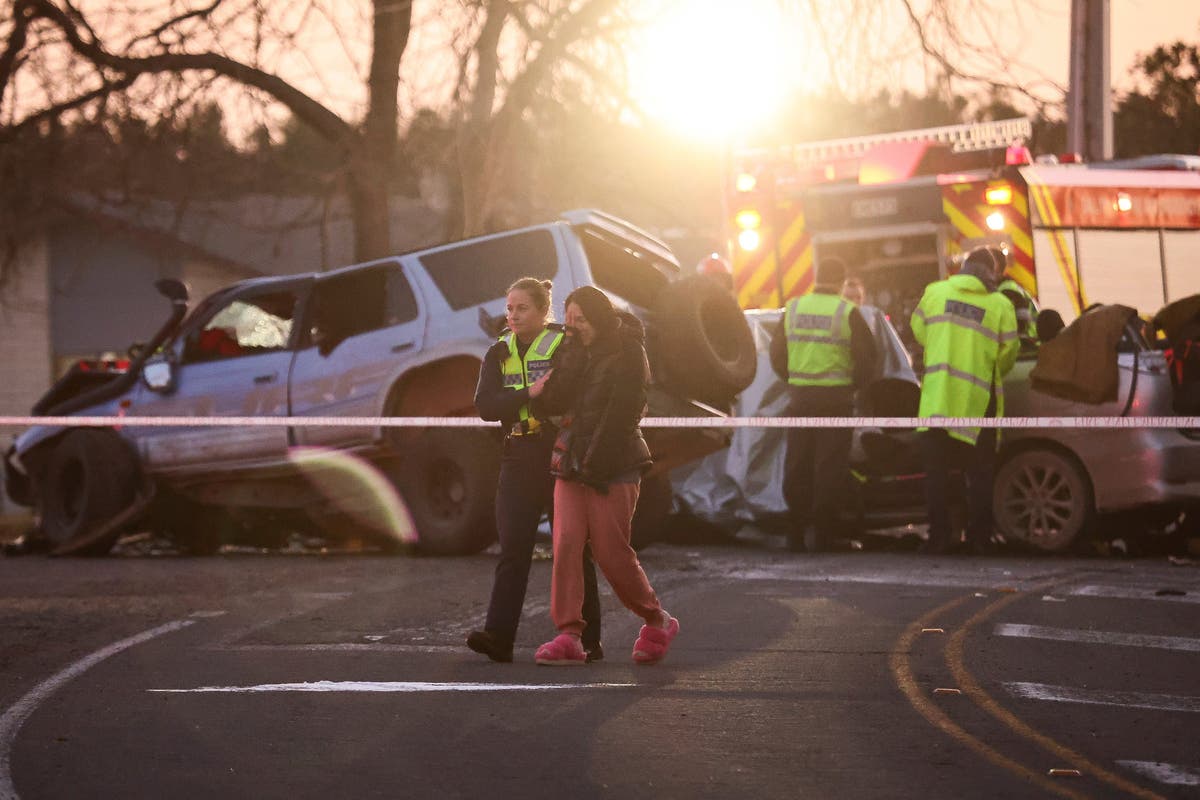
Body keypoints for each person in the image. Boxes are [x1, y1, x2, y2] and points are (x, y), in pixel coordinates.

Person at [533, 286, 679, 665]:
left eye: (580, 319)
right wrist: (564, 364)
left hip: (614, 464)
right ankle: (568, 634)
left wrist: (595, 464)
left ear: (598, 317)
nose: (574, 327)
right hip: (572, 462)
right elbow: (554, 403)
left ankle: (655, 619)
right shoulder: (573, 353)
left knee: (612, 553)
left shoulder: (629, 352)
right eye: (569, 320)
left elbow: (623, 413)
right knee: (565, 545)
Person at [467, 277, 603, 663]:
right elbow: (486, 407)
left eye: (522, 308)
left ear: (544, 311)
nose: (512, 315)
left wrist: (544, 398)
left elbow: (572, 393)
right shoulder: (498, 351)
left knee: (572, 547)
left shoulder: (564, 343)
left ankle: (589, 639)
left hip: (558, 452)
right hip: (518, 453)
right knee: (513, 547)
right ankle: (498, 637)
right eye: (509, 308)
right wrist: (528, 394)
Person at [911, 247, 1019, 555]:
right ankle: (979, 539)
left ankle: (939, 538)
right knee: (980, 476)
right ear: (992, 273)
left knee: (936, 476)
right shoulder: (1000, 304)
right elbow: (1008, 354)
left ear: (964, 268)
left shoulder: (935, 292)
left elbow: (919, 330)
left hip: (937, 401)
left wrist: (943, 346)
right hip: (976, 403)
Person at [769, 256, 877, 552]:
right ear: (842, 281)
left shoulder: (793, 308)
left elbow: (776, 353)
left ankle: (795, 533)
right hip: (836, 400)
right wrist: (853, 386)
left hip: (801, 398)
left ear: (816, 277)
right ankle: (823, 535)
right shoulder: (847, 312)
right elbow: (869, 358)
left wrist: (795, 378)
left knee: (798, 463)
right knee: (828, 468)